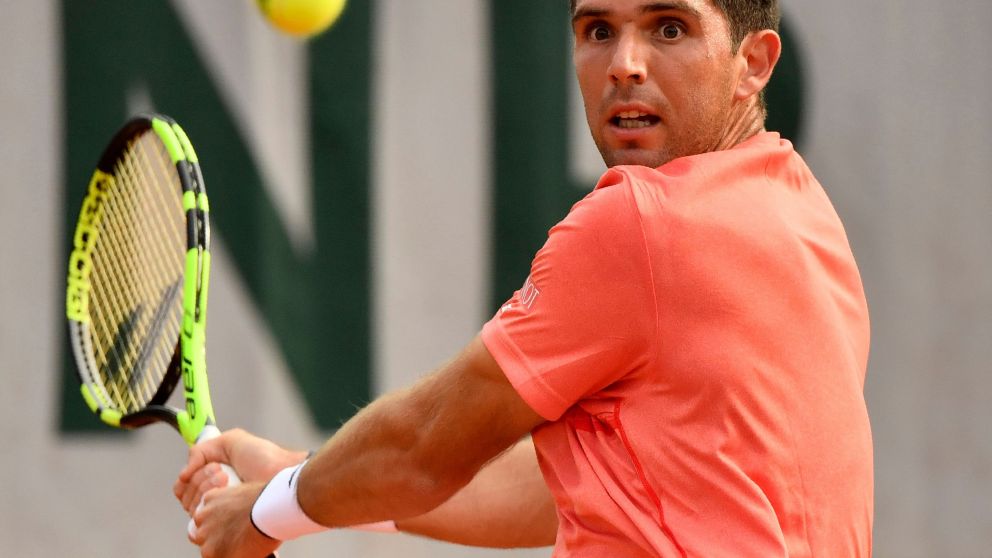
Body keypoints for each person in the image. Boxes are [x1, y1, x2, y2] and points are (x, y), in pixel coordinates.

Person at [174, 0, 874, 556]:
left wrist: (264, 515)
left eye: (669, 27)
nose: (624, 64)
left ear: (754, 62)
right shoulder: (803, 217)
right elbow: (565, 488)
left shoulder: (641, 222)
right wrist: (297, 475)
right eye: (598, 30)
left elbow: (424, 445)